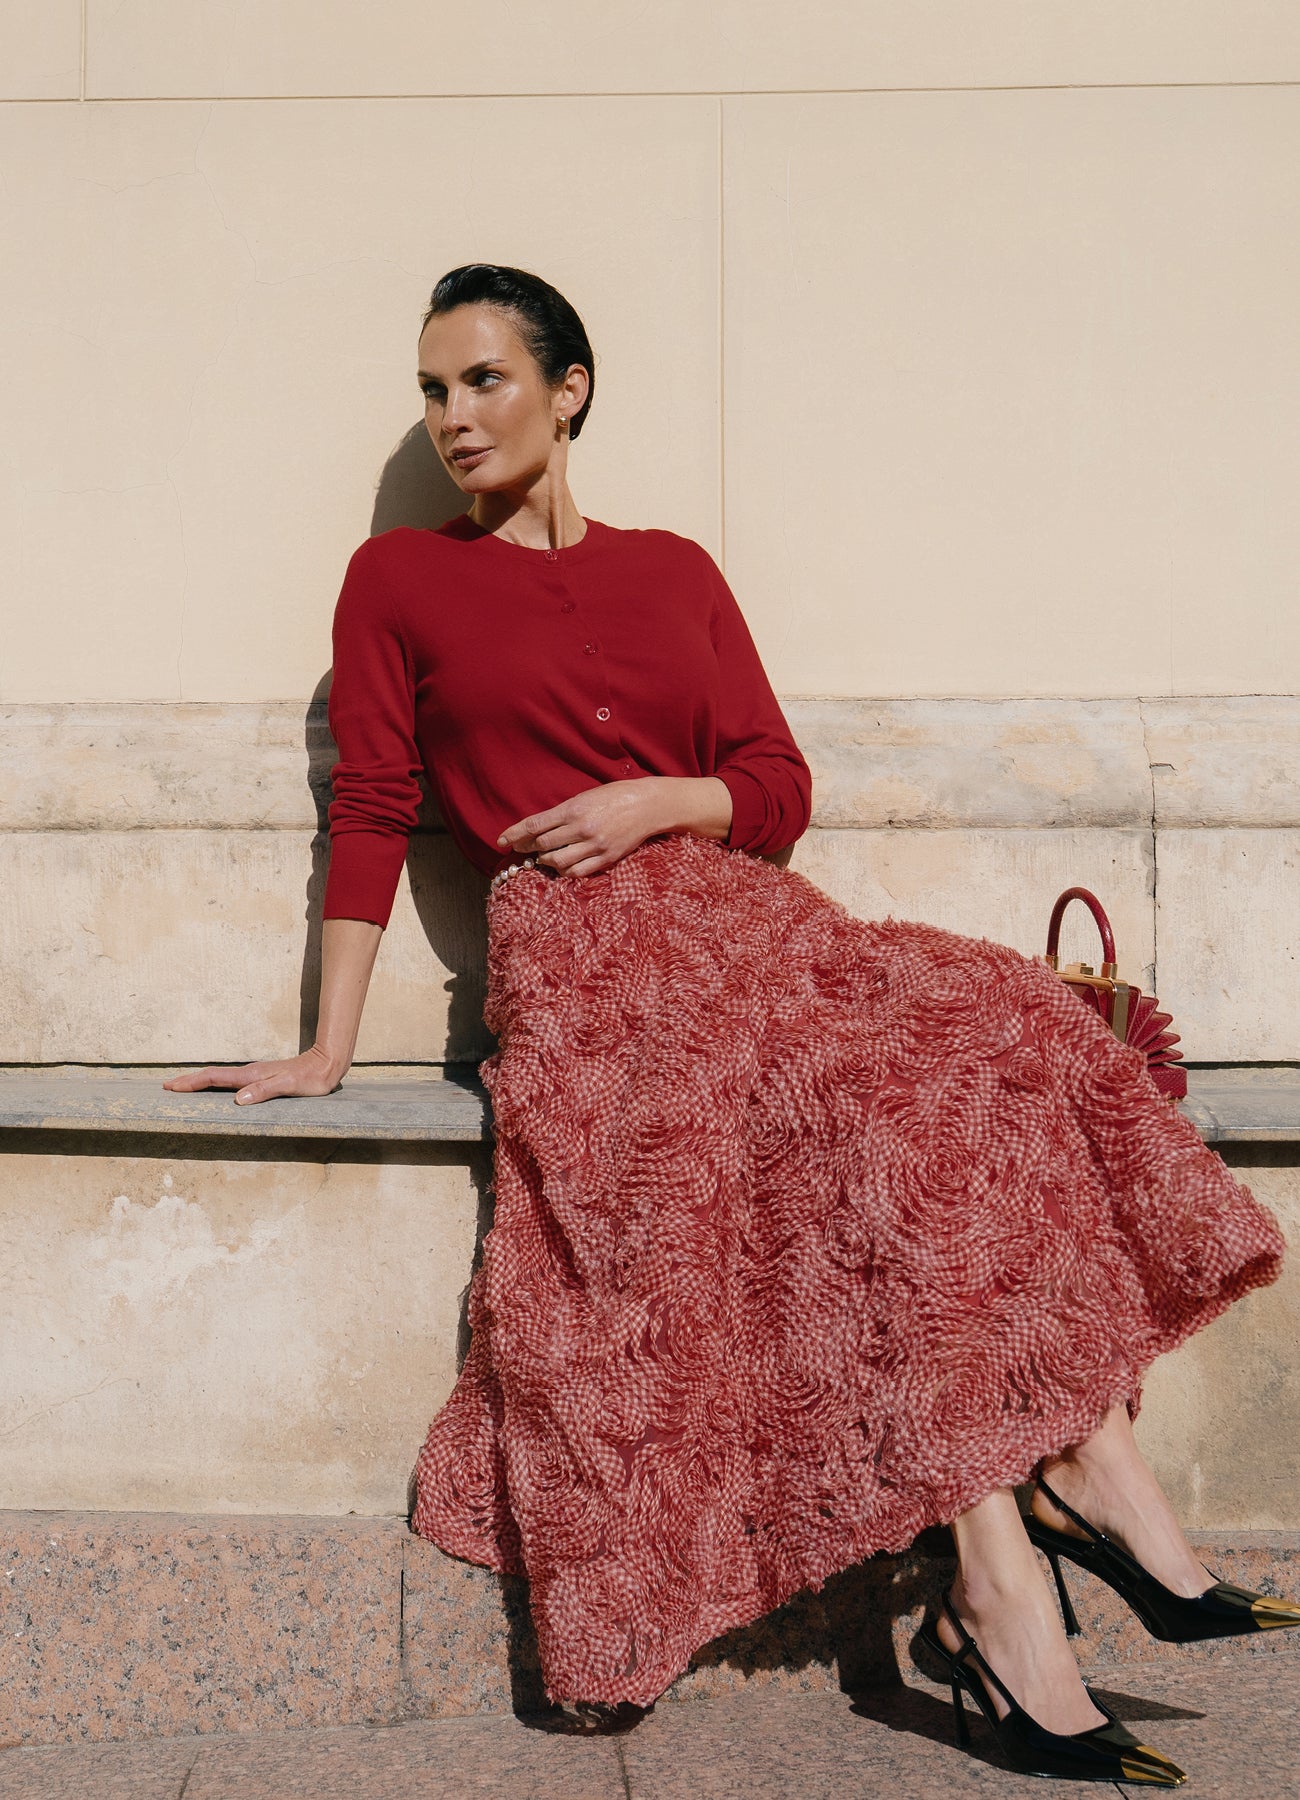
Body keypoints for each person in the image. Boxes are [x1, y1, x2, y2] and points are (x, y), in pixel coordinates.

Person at [165, 264, 1295, 1785]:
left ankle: (1064, 1494)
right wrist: (327, 1046)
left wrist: (663, 800)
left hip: (747, 922)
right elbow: (372, 802)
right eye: (432, 391)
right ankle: (1036, 1546)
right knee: (835, 1122)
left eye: (484, 380)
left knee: (994, 1042)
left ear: (567, 390)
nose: (453, 417)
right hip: (587, 959)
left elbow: (776, 781)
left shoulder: (676, 570)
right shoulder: (398, 580)